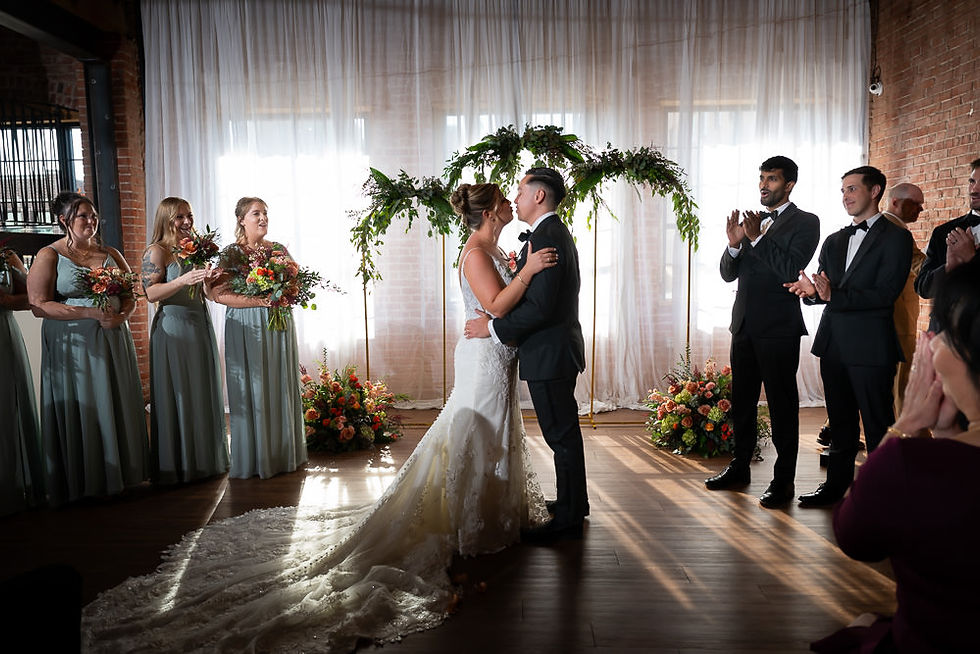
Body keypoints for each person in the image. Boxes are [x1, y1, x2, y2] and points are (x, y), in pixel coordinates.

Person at [80, 183, 554, 651]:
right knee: (471, 429)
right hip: (478, 353)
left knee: (488, 430)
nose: (512, 203)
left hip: (493, 353)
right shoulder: (477, 251)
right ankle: (469, 517)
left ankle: (490, 508)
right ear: (491, 210)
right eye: (257, 213)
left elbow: (296, 278)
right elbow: (494, 304)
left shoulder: (492, 247)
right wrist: (526, 275)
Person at [812, 256, 980, 654]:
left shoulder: (910, 465)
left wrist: (903, 427)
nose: (932, 341)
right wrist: (943, 432)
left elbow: (854, 536)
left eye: (943, 331)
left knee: (863, 626)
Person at [465, 167, 588, 543]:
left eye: (519, 191)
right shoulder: (547, 233)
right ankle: (573, 503)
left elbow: (541, 309)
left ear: (538, 196)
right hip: (550, 351)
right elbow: (535, 300)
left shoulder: (548, 236)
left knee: (561, 436)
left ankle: (568, 517)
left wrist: (494, 328)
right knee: (562, 434)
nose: (514, 198)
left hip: (550, 353)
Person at [786, 166, 912, 507]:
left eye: (853, 189)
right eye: (843, 190)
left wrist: (831, 296)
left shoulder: (897, 238)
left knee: (877, 426)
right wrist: (810, 292)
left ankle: (886, 496)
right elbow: (824, 291)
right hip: (835, 344)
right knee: (840, 426)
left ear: (874, 192)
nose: (846, 196)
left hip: (872, 347)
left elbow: (886, 294)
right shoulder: (834, 240)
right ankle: (834, 488)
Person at [704, 156, 820, 508]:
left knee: (783, 406)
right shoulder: (750, 223)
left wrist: (756, 239)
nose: (763, 185)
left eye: (771, 179)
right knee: (742, 404)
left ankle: (783, 482)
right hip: (744, 327)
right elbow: (728, 274)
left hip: (779, 329)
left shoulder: (806, 222)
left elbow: (788, 270)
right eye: (761, 179)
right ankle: (739, 468)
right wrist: (735, 244)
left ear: (789, 185)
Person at [26, 196, 148, 505]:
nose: (91, 221)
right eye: (83, 216)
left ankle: (123, 473)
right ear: (64, 220)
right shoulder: (49, 255)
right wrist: (89, 313)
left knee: (114, 399)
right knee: (85, 402)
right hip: (72, 345)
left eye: (93, 216)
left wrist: (121, 315)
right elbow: (38, 306)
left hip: (112, 340)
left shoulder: (110, 254)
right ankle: (85, 477)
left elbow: (131, 294)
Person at [212, 197, 307, 479]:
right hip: (245, 325)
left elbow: (295, 286)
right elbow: (219, 295)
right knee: (253, 387)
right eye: (256, 213)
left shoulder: (278, 250)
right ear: (242, 219)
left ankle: (283, 452)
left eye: (265, 213)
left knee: (279, 382)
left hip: (278, 324)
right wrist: (260, 302)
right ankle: (255, 456)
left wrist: (283, 292)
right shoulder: (231, 254)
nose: (263, 218)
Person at [142, 197, 228, 483]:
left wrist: (208, 280)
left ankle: (205, 459)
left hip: (199, 323)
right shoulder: (157, 252)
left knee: (201, 387)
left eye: (189, 215)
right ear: (166, 220)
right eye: (180, 217)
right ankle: (178, 463)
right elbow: (150, 294)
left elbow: (202, 293)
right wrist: (182, 280)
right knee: (179, 390)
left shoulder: (193, 251)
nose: (187, 222)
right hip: (173, 326)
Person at [0, 246, 44, 515]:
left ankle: (14, 487)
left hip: (3, 335)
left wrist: (4, 301)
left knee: (7, 407)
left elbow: (31, 297)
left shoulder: (6, 255)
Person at [914, 157, 980, 332]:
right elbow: (922, 287)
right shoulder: (943, 231)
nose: (975, 189)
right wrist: (949, 267)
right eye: (972, 181)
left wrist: (971, 259)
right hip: (943, 331)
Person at [880, 183, 927, 413]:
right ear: (895, 202)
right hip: (898, 317)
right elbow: (919, 265)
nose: (920, 209)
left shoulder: (878, 227)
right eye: (914, 204)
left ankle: (834, 428)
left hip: (879, 317)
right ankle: (903, 435)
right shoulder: (896, 233)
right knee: (901, 375)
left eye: (921, 205)